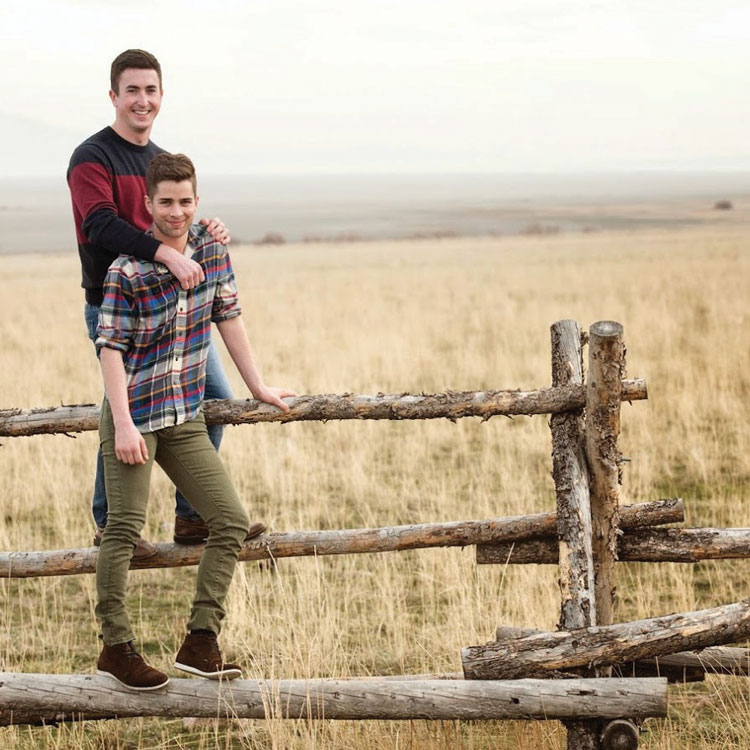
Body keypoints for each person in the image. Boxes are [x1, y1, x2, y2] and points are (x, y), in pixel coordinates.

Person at [95, 152, 296, 690]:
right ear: (148, 203)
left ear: (197, 201)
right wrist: (123, 426)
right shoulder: (127, 269)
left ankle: (200, 641)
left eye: (186, 201)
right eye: (167, 202)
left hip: (183, 417)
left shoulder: (211, 248)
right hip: (134, 417)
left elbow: (228, 315)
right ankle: (115, 647)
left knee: (229, 520)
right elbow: (110, 349)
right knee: (121, 530)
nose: (177, 211)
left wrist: (257, 386)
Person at [68, 49, 231, 556]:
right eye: (132, 90)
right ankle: (112, 525)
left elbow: (173, 215)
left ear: (161, 96)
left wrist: (207, 229)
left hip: (176, 313)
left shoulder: (157, 158)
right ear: (113, 96)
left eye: (151, 90)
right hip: (117, 307)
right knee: (122, 412)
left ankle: (190, 517)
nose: (143, 100)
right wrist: (165, 253)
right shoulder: (92, 157)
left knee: (217, 402)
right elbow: (100, 225)